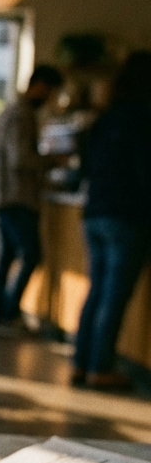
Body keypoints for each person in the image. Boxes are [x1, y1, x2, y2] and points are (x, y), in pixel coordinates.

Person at [72, 51, 151, 390]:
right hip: (127, 214)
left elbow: (84, 169)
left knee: (97, 291)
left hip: (95, 211)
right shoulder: (144, 119)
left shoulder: (104, 119)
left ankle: (81, 363)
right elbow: (146, 173)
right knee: (113, 295)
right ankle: (100, 367)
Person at [0, 63, 65, 334]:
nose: (51, 99)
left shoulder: (12, 111)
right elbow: (20, 159)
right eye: (51, 92)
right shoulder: (22, 115)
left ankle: (0, 317)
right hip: (16, 197)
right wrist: (51, 161)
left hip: (3, 195)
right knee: (30, 255)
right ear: (41, 86)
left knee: (5, 257)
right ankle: (8, 314)